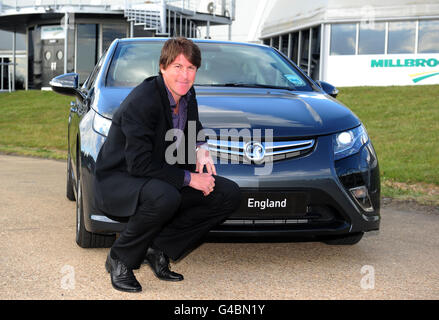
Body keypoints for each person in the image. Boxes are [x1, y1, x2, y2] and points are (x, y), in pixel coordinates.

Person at [94, 37, 241, 293]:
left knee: (227, 194)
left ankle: (158, 248)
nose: (185, 75)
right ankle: (121, 258)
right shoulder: (143, 101)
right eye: (177, 67)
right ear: (162, 67)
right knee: (166, 196)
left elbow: (192, 125)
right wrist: (190, 178)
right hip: (122, 177)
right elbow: (139, 164)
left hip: (158, 171)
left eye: (190, 68)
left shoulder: (187, 92)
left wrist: (201, 147)